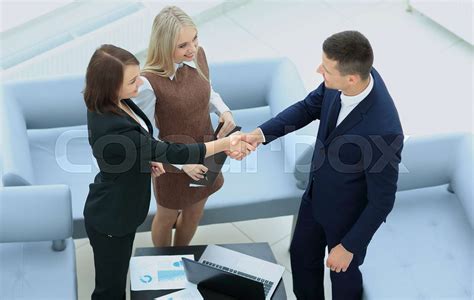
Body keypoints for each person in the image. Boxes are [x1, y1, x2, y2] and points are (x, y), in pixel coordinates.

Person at [239, 31, 404, 299]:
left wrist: (349, 246)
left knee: (344, 278)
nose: (319, 71)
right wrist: (259, 134)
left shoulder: (384, 131)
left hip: (348, 218)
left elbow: (382, 200)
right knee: (301, 258)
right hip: (315, 197)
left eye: (326, 69)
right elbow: (307, 108)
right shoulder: (343, 82)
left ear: (351, 78)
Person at [83, 44, 253, 299]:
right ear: (110, 86)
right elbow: (176, 153)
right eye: (132, 80)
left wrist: (141, 160)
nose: (140, 81)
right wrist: (226, 142)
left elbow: (131, 147)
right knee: (110, 290)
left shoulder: (117, 102)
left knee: (116, 279)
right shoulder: (111, 124)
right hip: (111, 218)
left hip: (120, 210)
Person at [133, 6, 237, 247]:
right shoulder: (149, 83)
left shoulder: (198, 56)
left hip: (207, 149)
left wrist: (225, 111)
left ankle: (181, 257)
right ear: (164, 45)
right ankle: (163, 263)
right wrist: (181, 164)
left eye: (195, 39)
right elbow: (145, 135)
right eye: (183, 46)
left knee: (194, 213)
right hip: (172, 161)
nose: (192, 49)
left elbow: (207, 91)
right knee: (167, 216)